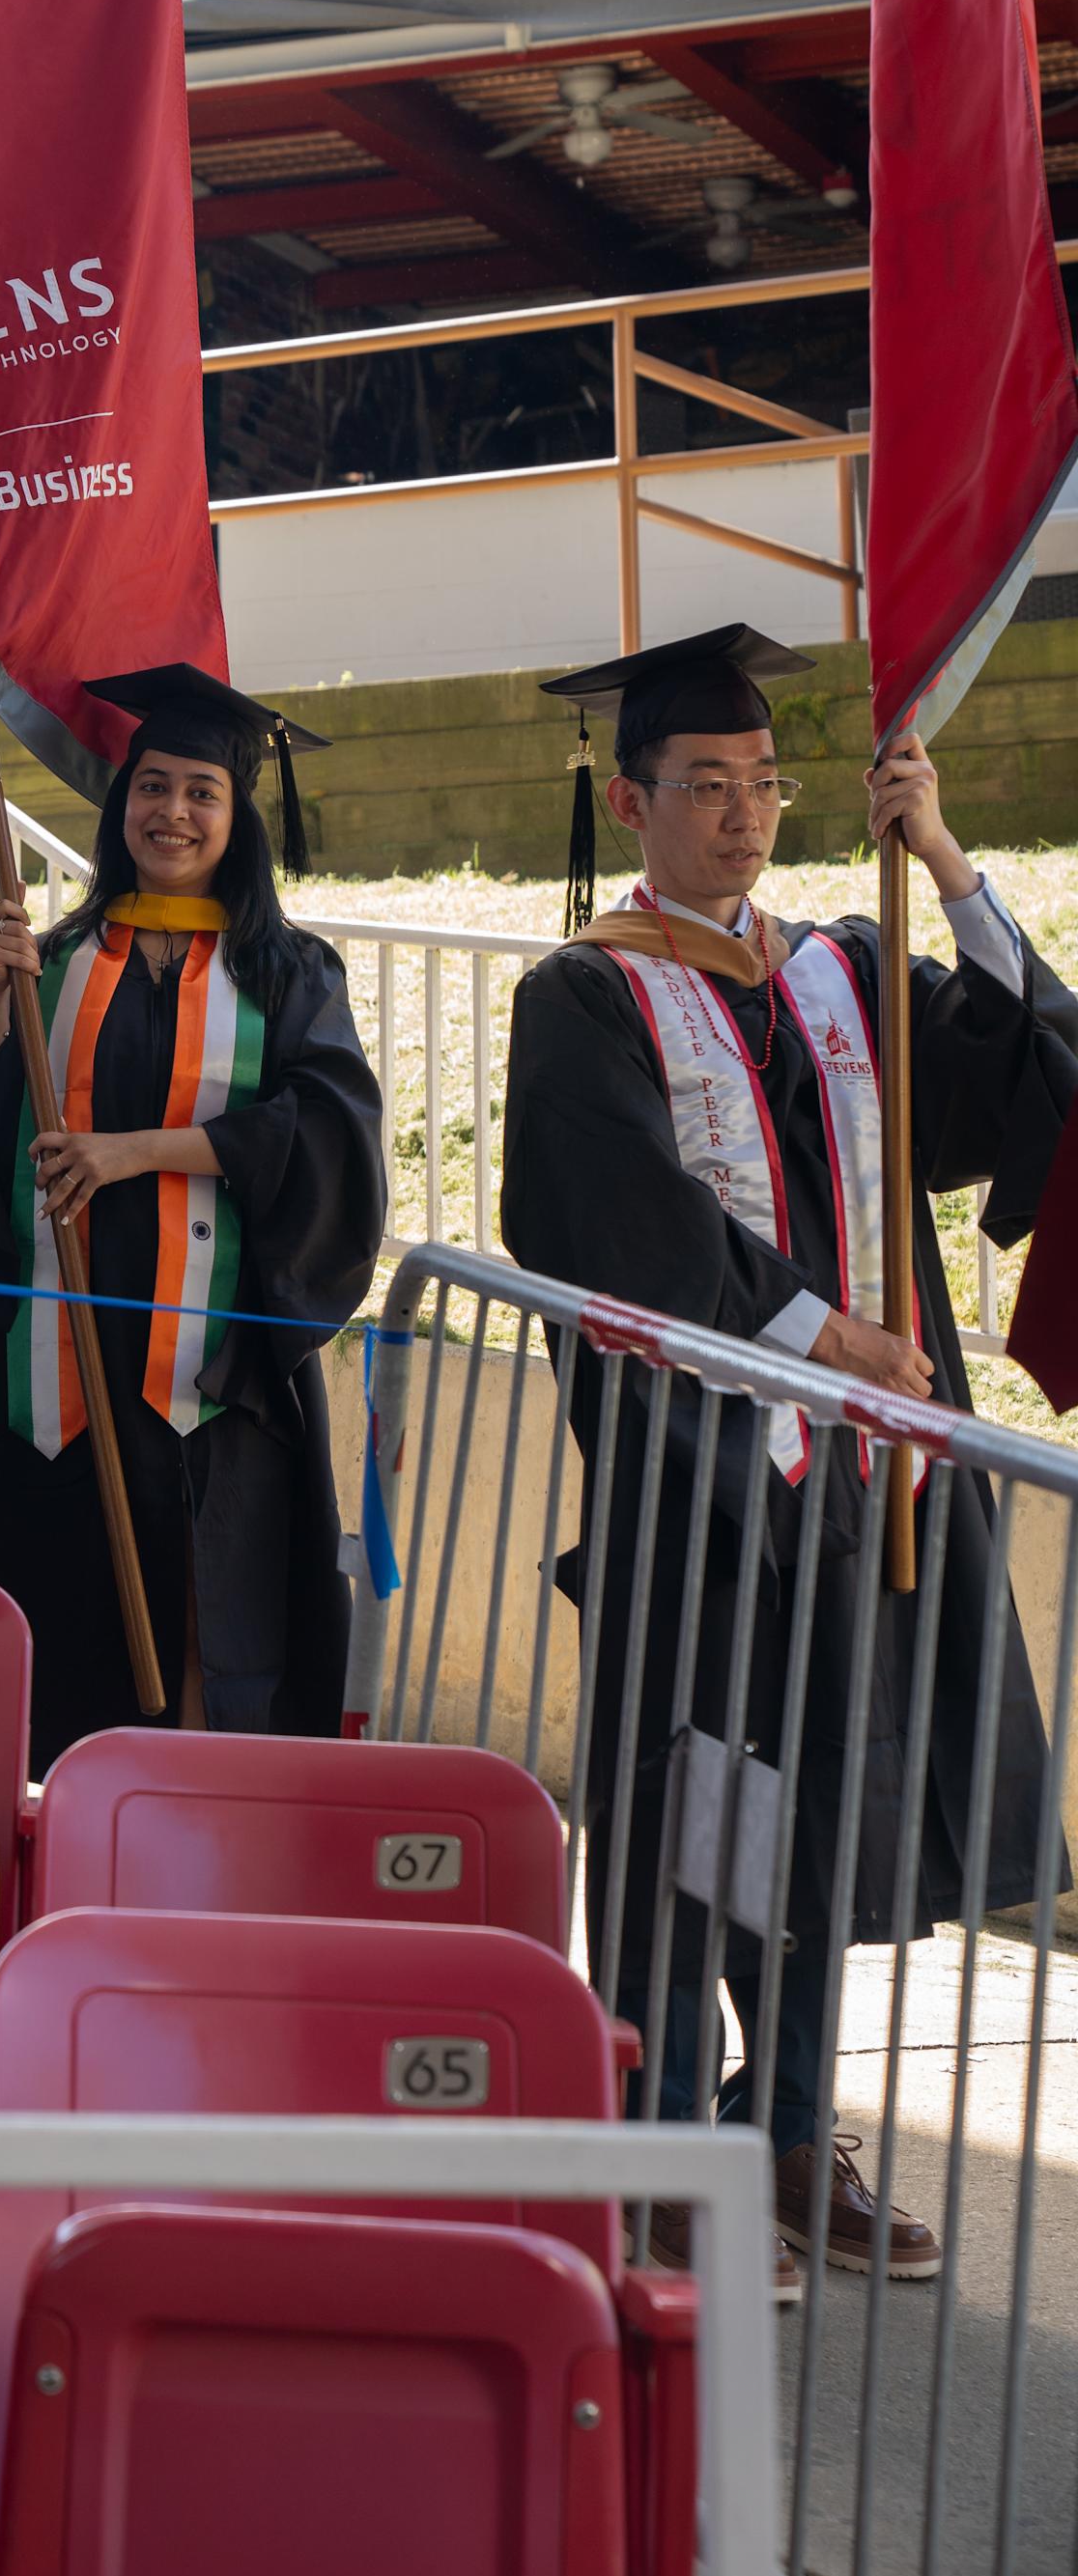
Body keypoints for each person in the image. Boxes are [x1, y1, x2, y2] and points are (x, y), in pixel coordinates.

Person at [501, 622, 1075, 2292]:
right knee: (702, 1817)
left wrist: (943, 857)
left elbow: (1029, 1071)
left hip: (867, 1482)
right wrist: (824, 1337)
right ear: (633, 802)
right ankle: (670, 2145)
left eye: (765, 785)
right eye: (707, 787)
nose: (745, 816)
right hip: (709, 1485)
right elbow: (609, 1215)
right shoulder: (586, 992)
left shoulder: (840, 965)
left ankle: (787, 2127)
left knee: (823, 1815)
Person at [0, 665, 385, 1767]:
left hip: (218, 1372)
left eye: (202, 794)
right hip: (61, 1359)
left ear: (238, 819)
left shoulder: (287, 972)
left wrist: (134, 1154)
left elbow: (324, 1134)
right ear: (119, 804)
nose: (172, 813)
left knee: (210, 1625)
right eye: (153, 787)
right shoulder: (61, 957)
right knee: (61, 1623)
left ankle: (205, 1850)